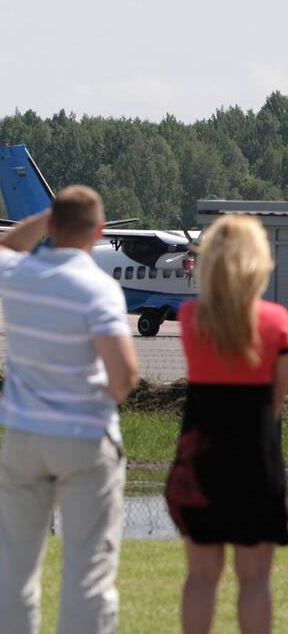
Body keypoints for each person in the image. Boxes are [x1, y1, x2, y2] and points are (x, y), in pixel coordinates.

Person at [0, 186, 139, 634]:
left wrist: (45, 218)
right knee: (87, 569)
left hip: (23, 436)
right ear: (100, 232)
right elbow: (124, 373)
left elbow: (0, 247)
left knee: (14, 566)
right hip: (84, 436)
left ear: (50, 227)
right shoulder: (100, 289)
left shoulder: (19, 274)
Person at [165, 214, 288, 634]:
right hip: (256, 459)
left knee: (201, 577)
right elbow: (275, 400)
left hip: (200, 459)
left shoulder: (189, 317)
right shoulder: (278, 324)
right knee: (255, 579)